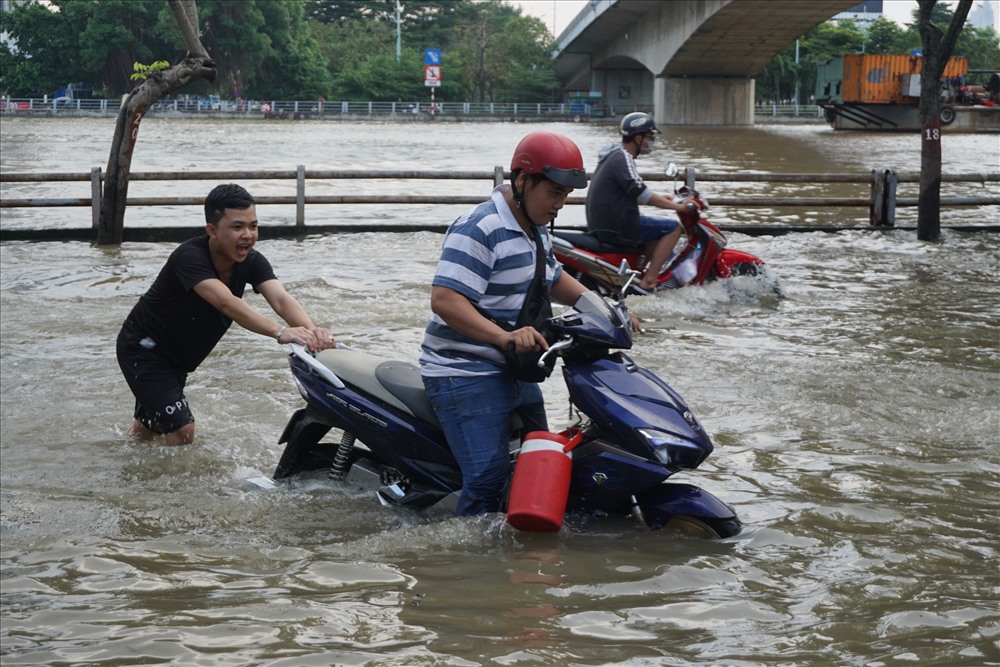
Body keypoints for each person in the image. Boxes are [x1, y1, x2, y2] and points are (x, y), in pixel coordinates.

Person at [419, 131, 591, 517]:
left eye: (566, 195)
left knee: (542, 463)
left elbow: (552, 278)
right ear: (523, 180)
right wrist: (503, 336)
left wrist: (599, 305)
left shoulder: (535, 226)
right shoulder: (479, 227)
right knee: (488, 481)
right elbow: (445, 299)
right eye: (553, 193)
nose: (559, 204)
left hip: (515, 365)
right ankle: (470, 569)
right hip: (464, 370)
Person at [116, 183, 336, 446]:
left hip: (177, 359)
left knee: (148, 429)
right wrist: (280, 332)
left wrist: (312, 333)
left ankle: (122, 463)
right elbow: (226, 302)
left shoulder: (252, 261)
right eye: (237, 227)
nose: (248, 235)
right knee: (182, 429)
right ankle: (170, 486)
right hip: (144, 349)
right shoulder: (189, 257)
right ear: (212, 230)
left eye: (253, 226)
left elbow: (280, 298)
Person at [585, 111, 698, 291]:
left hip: (605, 224)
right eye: (649, 137)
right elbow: (642, 194)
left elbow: (629, 192)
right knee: (673, 228)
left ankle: (639, 273)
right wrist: (679, 207)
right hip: (618, 226)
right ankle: (651, 280)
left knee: (656, 232)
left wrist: (667, 199)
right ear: (638, 138)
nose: (650, 142)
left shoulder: (611, 156)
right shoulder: (623, 157)